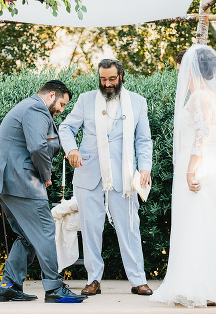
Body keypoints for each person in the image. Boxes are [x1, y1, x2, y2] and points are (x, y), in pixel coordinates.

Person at [149, 45, 216, 308]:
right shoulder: (215, 96)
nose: (181, 77)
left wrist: (190, 172)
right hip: (215, 166)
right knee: (210, 224)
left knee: (198, 224)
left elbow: (201, 137)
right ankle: (210, 286)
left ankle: (198, 287)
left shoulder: (199, 97)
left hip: (200, 166)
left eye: (182, 71)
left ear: (191, 70)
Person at [58, 59, 154, 297]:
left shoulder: (138, 102)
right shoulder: (85, 99)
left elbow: (143, 140)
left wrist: (145, 168)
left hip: (123, 176)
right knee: (91, 228)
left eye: (112, 79)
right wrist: (71, 150)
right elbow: (66, 128)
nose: (107, 84)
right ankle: (93, 279)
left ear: (121, 76)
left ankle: (138, 280)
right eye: (103, 79)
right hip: (89, 173)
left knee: (130, 227)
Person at [0, 80, 87, 303]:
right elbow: (37, 147)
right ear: (52, 95)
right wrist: (46, 176)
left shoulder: (28, 107)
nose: (61, 110)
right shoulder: (36, 108)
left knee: (27, 236)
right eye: (62, 103)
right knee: (45, 230)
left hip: (8, 181)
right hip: (22, 181)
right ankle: (54, 288)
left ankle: (8, 285)